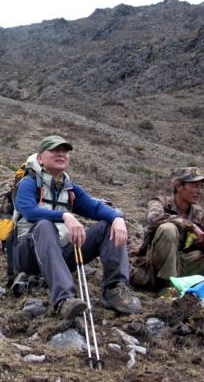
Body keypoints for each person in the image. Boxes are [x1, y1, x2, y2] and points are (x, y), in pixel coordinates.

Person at [13, 135, 142, 320]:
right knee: (44, 225)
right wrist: (64, 215)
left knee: (107, 226)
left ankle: (115, 289)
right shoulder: (28, 182)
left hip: (59, 254)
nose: (61, 154)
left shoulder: (70, 188)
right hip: (28, 255)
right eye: (54, 150)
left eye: (64, 151)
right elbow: (29, 212)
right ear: (40, 158)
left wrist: (117, 218)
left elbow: (95, 208)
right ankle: (64, 299)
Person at [133, 167, 204, 289]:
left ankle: (203, 287)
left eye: (201, 187)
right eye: (195, 186)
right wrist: (190, 226)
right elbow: (154, 218)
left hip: (187, 263)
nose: (199, 191)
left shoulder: (199, 213)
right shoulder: (160, 202)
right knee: (168, 229)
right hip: (157, 264)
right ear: (178, 186)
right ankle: (168, 287)